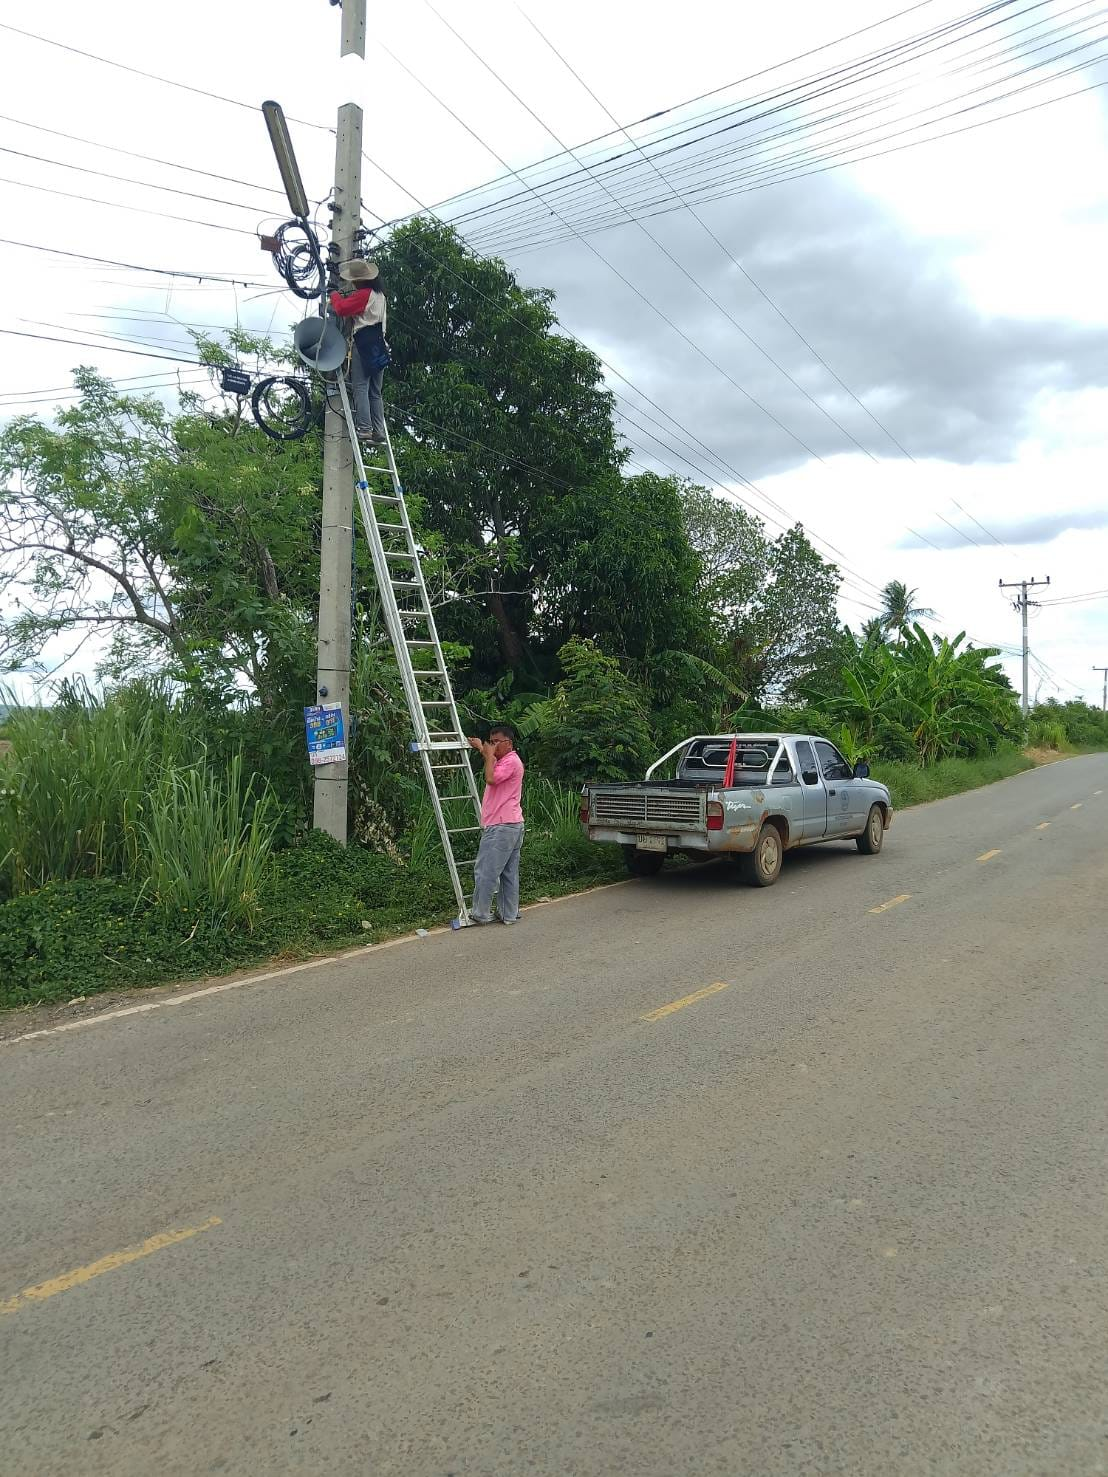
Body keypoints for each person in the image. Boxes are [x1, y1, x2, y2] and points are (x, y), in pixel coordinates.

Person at [465, 724, 525, 926]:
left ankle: (480, 913)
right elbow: (494, 763)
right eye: (491, 742)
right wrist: (482, 749)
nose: (493, 746)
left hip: (501, 826)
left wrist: (488, 755)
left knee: (486, 871)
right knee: (509, 873)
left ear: (508, 743)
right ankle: (508, 913)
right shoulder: (505, 760)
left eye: (496, 742)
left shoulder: (510, 762)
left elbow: (490, 778)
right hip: (511, 824)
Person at [329, 259, 388, 443]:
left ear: (359, 280)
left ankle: (365, 428)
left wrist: (334, 294)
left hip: (364, 342)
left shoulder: (364, 295)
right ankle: (378, 430)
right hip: (380, 344)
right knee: (375, 391)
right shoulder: (381, 296)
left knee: (360, 386)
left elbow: (341, 308)